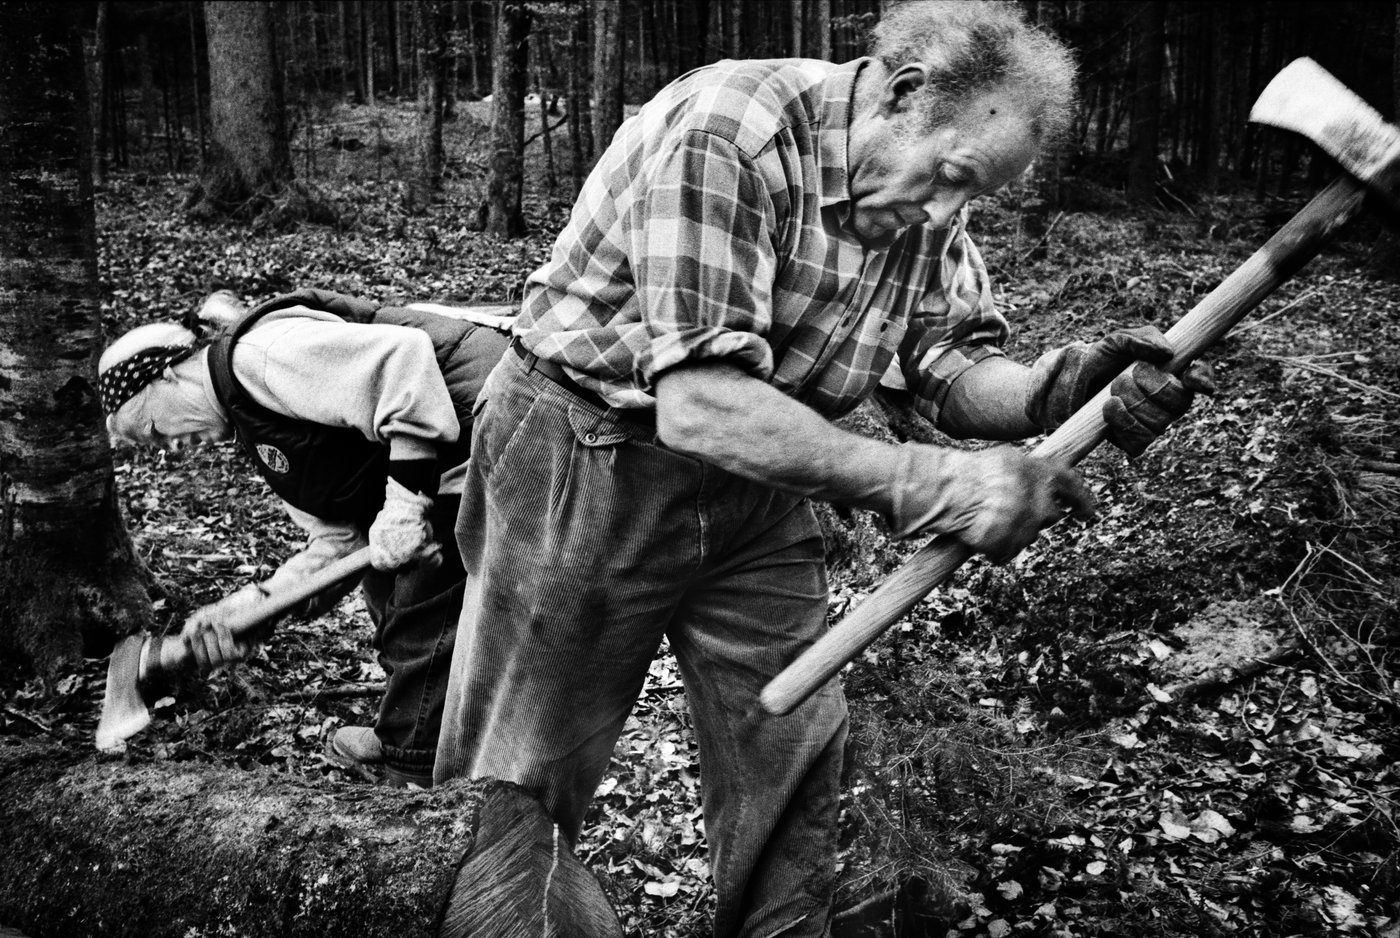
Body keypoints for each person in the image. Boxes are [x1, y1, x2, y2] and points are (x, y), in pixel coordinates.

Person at [435, 2, 1214, 933]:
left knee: (797, 759)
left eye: (975, 196)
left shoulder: (921, 190)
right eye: (954, 178)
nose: (947, 214)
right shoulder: (736, 129)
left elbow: (947, 363)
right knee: (516, 782)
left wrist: (1056, 390)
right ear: (904, 93)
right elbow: (703, 401)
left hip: (764, 479)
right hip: (583, 456)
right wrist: (932, 483)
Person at [100, 288, 509, 789]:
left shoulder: (261, 357)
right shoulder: (252, 421)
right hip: (453, 452)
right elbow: (337, 543)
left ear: (167, 375)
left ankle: (413, 777)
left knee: (420, 608)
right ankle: (419, 735)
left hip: (496, 415)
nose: (171, 448)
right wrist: (254, 609)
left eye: (155, 430)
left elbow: (404, 360)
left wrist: (404, 506)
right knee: (384, 593)